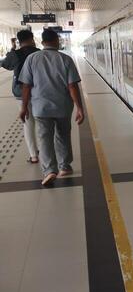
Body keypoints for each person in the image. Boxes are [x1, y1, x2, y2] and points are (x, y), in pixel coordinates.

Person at [18, 28, 84, 187]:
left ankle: (49, 171)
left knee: (44, 138)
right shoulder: (65, 59)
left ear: (42, 42)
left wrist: (24, 107)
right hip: (62, 107)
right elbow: (72, 86)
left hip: (40, 108)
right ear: (57, 41)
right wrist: (79, 108)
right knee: (63, 135)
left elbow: (26, 86)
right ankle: (65, 167)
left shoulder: (32, 59)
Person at [1, 29, 40, 164]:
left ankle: (34, 155)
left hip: (20, 92)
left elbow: (5, 64)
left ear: (19, 41)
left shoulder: (15, 54)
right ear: (32, 38)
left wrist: (13, 49)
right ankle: (45, 150)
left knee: (28, 124)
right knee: (42, 122)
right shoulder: (39, 53)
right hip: (38, 92)